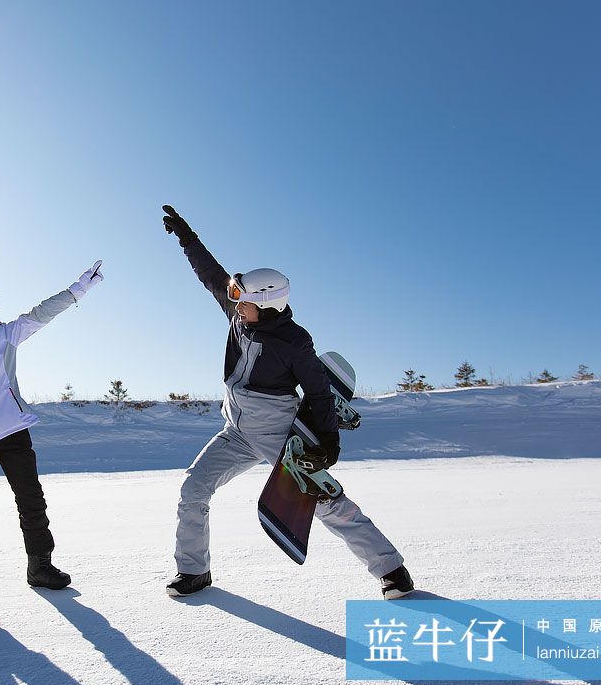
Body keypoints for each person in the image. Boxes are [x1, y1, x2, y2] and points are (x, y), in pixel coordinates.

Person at [159, 205, 413, 599]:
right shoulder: (239, 316)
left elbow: (317, 392)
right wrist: (188, 238)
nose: (234, 303)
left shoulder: (294, 342)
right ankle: (194, 571)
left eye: (242, 299)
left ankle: (392, 570)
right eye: (235, 296)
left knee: (326, 503)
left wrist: (328, 442)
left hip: (278, 432)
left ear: (266, 303)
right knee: (193, 489)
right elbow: (211, 275)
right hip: (236, 429)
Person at [0, 262, 103, 589]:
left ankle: (40, 567)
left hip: (14, 430)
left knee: (31, 501)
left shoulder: (5, 334)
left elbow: (42, 313)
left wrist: (78, 290)